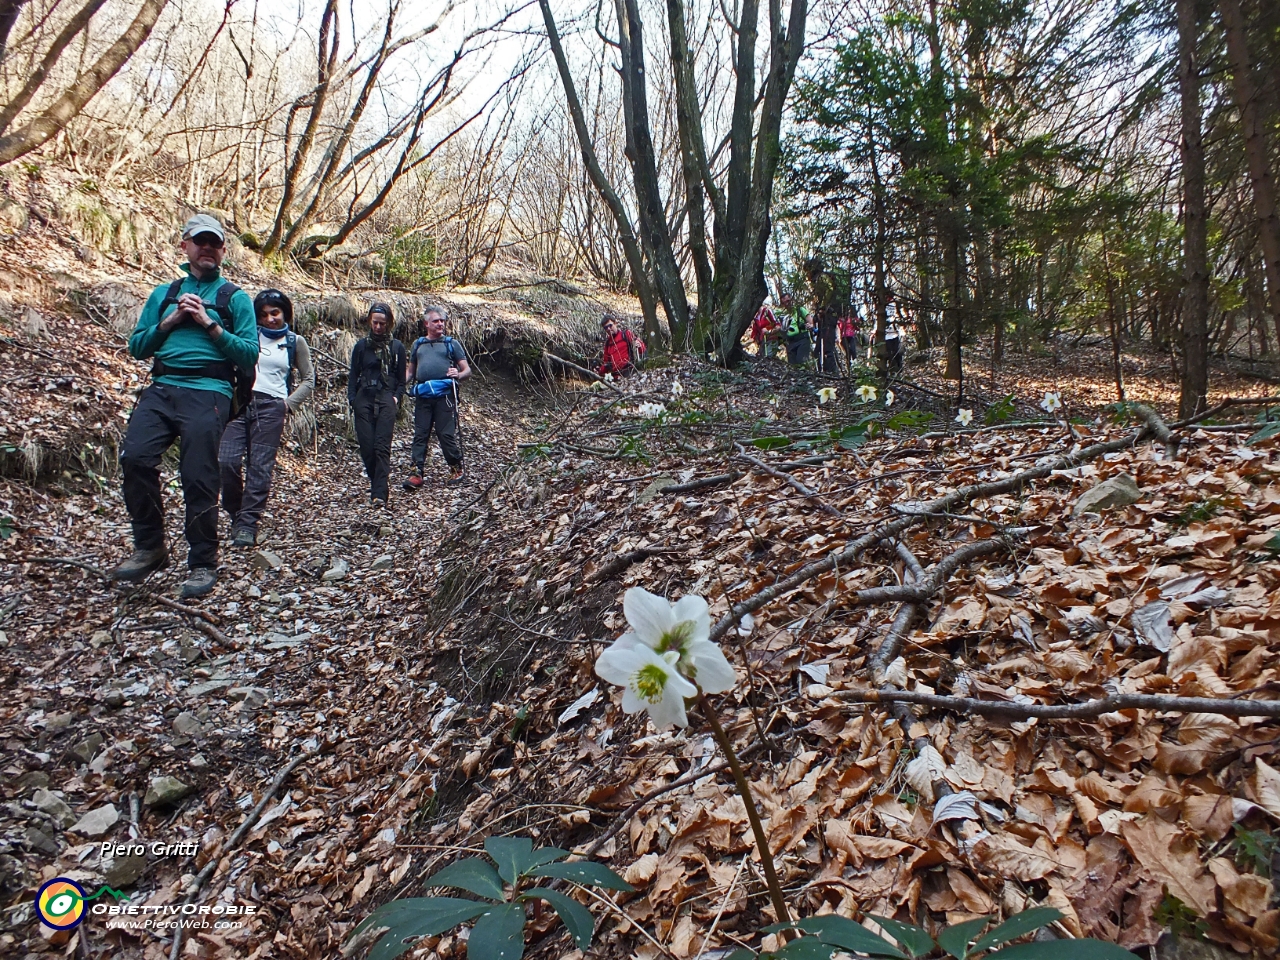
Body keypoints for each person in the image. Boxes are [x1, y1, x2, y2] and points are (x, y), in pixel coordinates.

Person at [111, 214, 258, 598]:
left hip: (210, 391)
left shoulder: (235, 298)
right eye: (200, 241)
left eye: (214, 243)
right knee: (135, 458)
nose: (207, 248)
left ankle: (202, 562)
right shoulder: (164, 294)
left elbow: (248, 354)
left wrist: (210, 324)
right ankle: (150, 546)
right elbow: (137, 346)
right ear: (185, 246)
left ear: (224, 251)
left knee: (199, 475)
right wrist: (173, 319)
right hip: (162, 387)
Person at [219, 289, 315, 546]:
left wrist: (287, 405)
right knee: (226, 460)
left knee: (259, 467)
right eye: (263, 315)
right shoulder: (249, 335)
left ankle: (247, 524)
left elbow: (309, 379)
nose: (270, 319)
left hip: (272, 407)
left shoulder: (296, 342)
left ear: (285, 313)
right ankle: (236, 513)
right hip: (240, 404)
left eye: (275, 312)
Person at [403, 307, 470, 490]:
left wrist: (458, 373)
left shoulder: (451, 344)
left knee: (445, 433)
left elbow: (467, 370)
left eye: (442, 320)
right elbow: (411, 371)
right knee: (420, 433)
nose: (440, 324)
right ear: (426, 324)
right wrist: (399, 384)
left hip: (445, 396)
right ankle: (416, 473)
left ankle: (456, 467)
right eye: (436, 321)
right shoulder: (418, 345)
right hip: (424, 395)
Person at [348, 302, 406, 507]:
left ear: (389, 323)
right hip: (364, 397)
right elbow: (353, 374)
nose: (378, 327)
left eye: (382, 323)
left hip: (386, 397)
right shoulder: (362, 346)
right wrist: (353, 399)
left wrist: (397, 397)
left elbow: (401, 378)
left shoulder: (396, 347)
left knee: (382, 446)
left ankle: (379, 494)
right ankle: (378, 484)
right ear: (370, 322)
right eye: (375, 323)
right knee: (367, 446)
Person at [806, 257, 840, 374]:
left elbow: (829, 289)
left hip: (828, 317)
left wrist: (822, 309)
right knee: (819, 348)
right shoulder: (817, 280)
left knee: (827, 348)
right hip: (824, 319)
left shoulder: (822, 278)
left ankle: (832, 372)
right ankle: (824, 370)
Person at [779, 294, 811, 366]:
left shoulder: (800, 310)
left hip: (802, 339)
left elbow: (810, 321)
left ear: (791, 300)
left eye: (788, 301)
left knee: (802, 362)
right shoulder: (783, 315)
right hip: (790, 342)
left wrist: (810, 325)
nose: (787, 304)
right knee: (792, 366)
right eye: (784, 303)